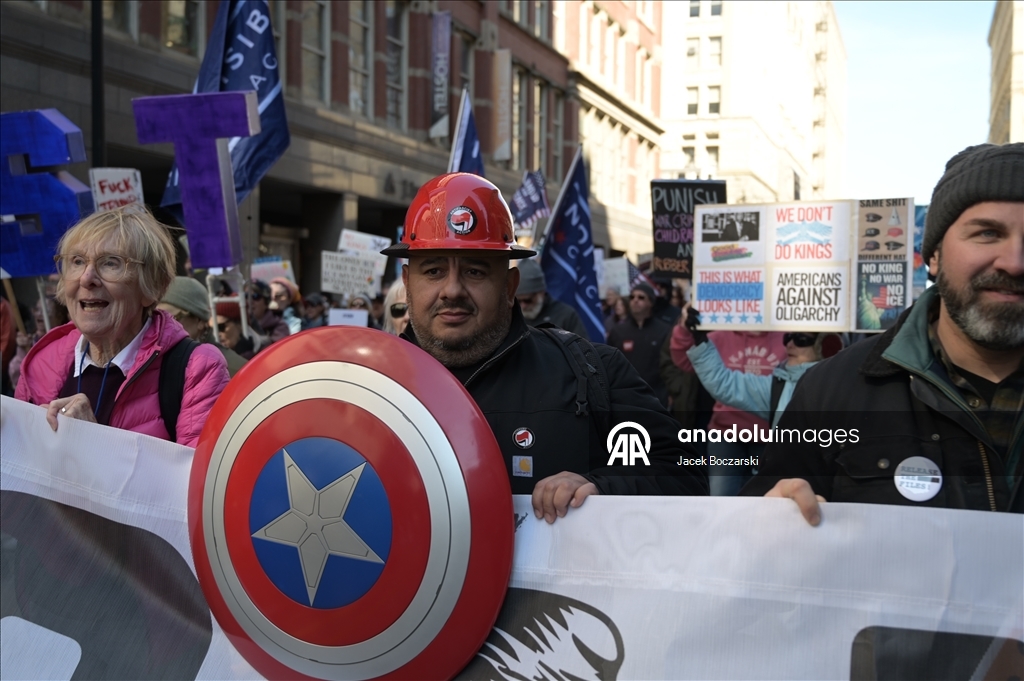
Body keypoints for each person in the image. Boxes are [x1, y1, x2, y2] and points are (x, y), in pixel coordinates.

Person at [381, 173, 707, 523]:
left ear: (509, 286)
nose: (452, 290)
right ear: (407, 283)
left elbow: (686, 471)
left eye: (475, 271)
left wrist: (602, 487)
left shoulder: (593, 371)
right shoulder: (364, 388)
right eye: (433, 271)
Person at [744, 143, 1024, 520]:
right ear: (935, 256)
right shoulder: (830, 392)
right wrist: (769, 517)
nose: (1014, 263)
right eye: (988, 233)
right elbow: (755, 545)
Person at [14, 205, 230, 447]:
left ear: (154, 287)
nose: (87, 278)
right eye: (77, 261)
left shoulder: (197, 368)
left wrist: (99, 447)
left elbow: (200, 482)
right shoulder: (41, 360)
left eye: (110, 263)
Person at [671, 315, 787, 496]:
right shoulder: (720, 336)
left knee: (765, 500)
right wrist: (684, 329)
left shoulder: (787, 338)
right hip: (726, 433)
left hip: (767, 436)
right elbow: (685, 360)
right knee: (721, 496)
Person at [685, 308, 842, 426]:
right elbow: (725, 384)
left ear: (826, 346)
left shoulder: (840, 389)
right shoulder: (777, 387)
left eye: (801, 340)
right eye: (788, 338)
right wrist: (701, 341)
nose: (790, 345)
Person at [158, 276, 246, 377]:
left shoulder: (234, 370)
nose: (160, 327)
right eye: (156, 319)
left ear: (199, 320)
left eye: (171, 318)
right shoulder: (155, 363)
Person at [607, 283, 673, 407]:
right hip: (625, 398)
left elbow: (670, 364)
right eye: (632, 297)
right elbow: (610, 365)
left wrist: (671, 393)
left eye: (641, 297)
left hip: (657, 396)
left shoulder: (664, 330)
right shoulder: (618, 331)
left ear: (651, 302)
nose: (635, 300)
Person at [514, 258, 589, 337]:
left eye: (528, 300)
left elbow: (582, 347)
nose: (523, 306)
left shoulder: (565, 315)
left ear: (542, 293)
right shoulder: (513, 317)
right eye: (518, 301)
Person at [248, 279, 290, 348]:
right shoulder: (239, 325)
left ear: (266, 302)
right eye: (246, 296)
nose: (250, 301)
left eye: (255, 296)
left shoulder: (280, 327)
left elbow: (277, 352)